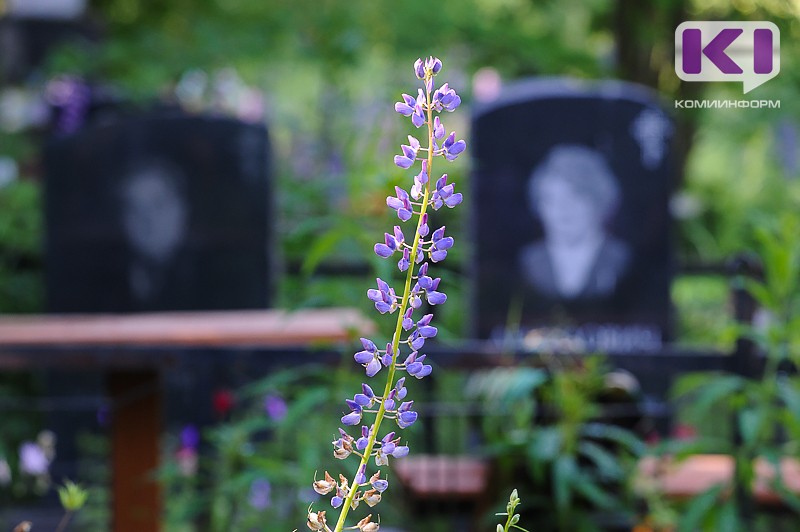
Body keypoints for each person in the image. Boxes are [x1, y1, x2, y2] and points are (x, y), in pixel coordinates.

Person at [520, 144, 630, 300]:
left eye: (575, 198)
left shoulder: (621, 258)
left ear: (597, 202)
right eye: (551, 201)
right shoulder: (528, 262)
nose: (563, 211)